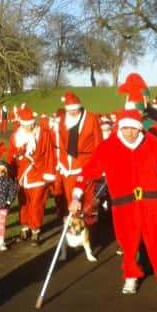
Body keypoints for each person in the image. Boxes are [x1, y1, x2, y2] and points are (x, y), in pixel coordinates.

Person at [69, 109, 157, 295]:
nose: (130, 133)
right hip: (124, 204)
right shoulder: (108, 147)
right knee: (128, 242)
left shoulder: (153, 143)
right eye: (126, 128)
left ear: (139, 128)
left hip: (152, 201)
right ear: (120, 128)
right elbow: (87, 173)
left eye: (133, 128)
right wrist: (76, 197)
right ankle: (131, 275)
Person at [8, 105, 56, 245]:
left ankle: (35, 229)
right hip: (22, 175)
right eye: (26, 125)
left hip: (39, 174)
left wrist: (48, 173)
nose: (29, 127)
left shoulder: (44, 134)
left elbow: (49, 154)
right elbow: (11, 156)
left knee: (36, 203)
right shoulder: (15, 137)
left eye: (31, 124)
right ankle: (25, 226)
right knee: (23, 203)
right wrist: (9, 172)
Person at [53, 91, 103, 223]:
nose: (74, 112)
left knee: (87, 197)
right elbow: (60, 144)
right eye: (71, 110)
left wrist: (100, 163)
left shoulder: (91, 119)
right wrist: (61, 163)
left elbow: (99, 141)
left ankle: (89, 227)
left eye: (76, 109)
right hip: (68, 166)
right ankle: (73, 226)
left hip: (87, 162)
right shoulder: (63, 120)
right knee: (70, 197)